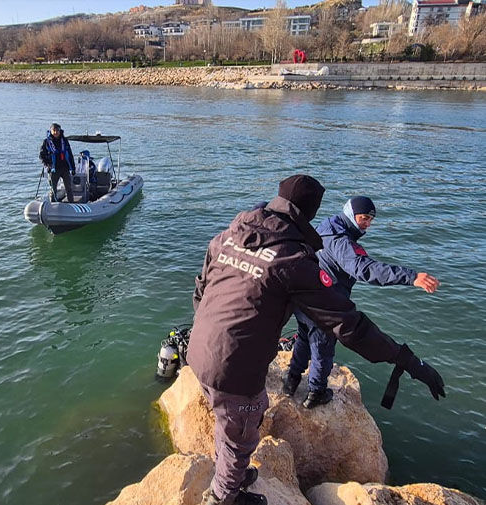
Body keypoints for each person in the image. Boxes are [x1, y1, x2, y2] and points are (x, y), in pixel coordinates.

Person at [186, 175, 445, 505]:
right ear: (308, 213)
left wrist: (213, 333)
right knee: (241, 431)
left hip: (200, 347)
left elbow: (201, 287)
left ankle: (232, 473)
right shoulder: (292, 259)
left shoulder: (230, 234)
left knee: (235, 420)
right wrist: (407, 360)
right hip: (235, 366)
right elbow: (349, 324)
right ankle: (225, 495)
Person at [283, 196, 440, 408]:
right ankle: (316, 392)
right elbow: (364, 269)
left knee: (304, 336)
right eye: (363, 218)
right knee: (323, 347)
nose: (367, 223)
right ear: (350, 214)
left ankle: (292, 379)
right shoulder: (342, 242)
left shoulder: (325, 226)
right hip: (326, 304)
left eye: (370, 219)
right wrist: (411, 277)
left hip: (305, 296)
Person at [39, 123, 75, 203]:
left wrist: (73, 168)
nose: (55, 132)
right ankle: (53, 205)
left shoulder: (64, 141)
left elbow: (70, 154)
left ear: (60, 131)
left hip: (65, 168)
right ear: (51, 131)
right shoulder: (47, 142)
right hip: (53, 169)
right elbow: (42, 156)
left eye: (57, 130)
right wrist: (47, 166)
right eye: (54, 130)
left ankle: (71, 203)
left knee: (69, 188)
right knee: (53, 188)